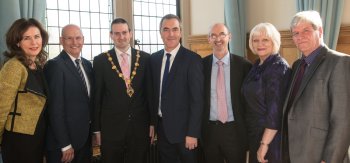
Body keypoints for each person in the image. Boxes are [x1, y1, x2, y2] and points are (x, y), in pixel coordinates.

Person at [281, 10, 350, 163]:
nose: (300, 37)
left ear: (320, 31)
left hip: (320, 155)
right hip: (294, 153)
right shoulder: (297, 65)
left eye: (306, 31)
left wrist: (330, 159)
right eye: (295, 33)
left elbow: (343, 120)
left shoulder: (340, 62)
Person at [92, 18, 154, 163]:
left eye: (124, 32)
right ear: (111, 35)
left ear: (130, 33)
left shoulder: (145, 59)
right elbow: (97, 98)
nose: (121, 37)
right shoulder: (100, 61)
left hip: (140, 128)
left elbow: (150, 94)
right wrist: (96, 129)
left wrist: (153, 123)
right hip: (111, 130)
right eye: (117, 33)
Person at [149, 14, 204, 163]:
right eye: (166, 30)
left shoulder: (193, 60)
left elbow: (197, 100)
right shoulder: (153, 59)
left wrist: (193, 133)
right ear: (160, 33)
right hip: (162, 130)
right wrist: (153, 123)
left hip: (185, 133)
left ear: (180, 32)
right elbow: (153, 95)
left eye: (175, 29)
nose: (171, 34)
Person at [0, 18, 49, 163]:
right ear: (17, 42)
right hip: (19, 140)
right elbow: (1, 106)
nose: (34, 43)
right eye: (27, 38)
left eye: (37, 37)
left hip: (37, 136)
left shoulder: (37, 65)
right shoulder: (14, 66)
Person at [201, 23, 251, 163]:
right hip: (209, 131)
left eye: (222, 34)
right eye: (213, 35)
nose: (218, 39)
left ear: (230, 36)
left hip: (235, 130)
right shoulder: (200, 66)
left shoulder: (244, 66)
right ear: (208, 39)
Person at [241, 23, 291, 163]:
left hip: (270, 136)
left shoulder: (278, 67)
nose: (260, 44)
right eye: (256, 40)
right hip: (254, 132)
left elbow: (275, 111)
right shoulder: (257, 65)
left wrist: (264, 144)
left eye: (265, 40)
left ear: (274, 41)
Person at [44, 24, 93, 163]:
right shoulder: (54, 66)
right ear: (61, 40)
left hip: (84, 140)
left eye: (78, 38)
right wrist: (65, 144)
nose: (74, 42)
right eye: (69, 38)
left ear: (83, 39)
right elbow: (54, 109)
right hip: (64, 145)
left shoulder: (87, 65)